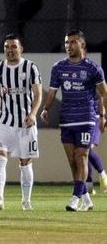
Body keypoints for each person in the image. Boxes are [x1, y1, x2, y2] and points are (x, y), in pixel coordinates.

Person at [40, 30, 107, 212]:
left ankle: (75, 198)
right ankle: (86, 199)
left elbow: (104, 92)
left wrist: (103, 115)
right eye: (66, 42)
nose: (68, 46)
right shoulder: (59, 67)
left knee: (81, 155)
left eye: (73, 42)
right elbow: (52, 92)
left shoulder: (93, 68)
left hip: (86, 118)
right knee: (72, 161)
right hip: (67, 119)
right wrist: (46, 109)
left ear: (82, 45)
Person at [0, 33, 42, 211]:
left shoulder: (31, 67)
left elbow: (38, 94)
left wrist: (33, 114)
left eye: (13, 46)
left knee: (25, 162)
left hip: (26, 123)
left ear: (21, 49)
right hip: (4, 122)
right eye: (7, 47)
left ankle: (26, 201)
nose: (10, 50)